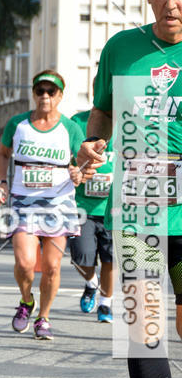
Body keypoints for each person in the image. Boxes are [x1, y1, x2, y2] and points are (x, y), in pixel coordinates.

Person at [78, 0, 182, 378]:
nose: (172, 2)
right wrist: (95, 143)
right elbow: (103, 108)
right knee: (141, 323)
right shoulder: (121, 49)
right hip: (140, 202)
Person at [0, 70, 84, 341]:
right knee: (25, 263)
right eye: (40, 91)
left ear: (60, 96)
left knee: (52, 267)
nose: (45, 96)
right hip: (23, 202)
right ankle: (26, 301)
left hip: (59, 204)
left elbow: (82, 163)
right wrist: (1, 181)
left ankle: (43, 318)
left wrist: (80, 173)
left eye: (51, 91)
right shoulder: (17, 124)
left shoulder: (70, 128)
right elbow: (3, 153)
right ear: (34, 94)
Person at [69, 98, 114, 322]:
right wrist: (73, 170)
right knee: (80, 257)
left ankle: (106, 305)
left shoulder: (131, 122)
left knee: (111, 259)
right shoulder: (78, 121)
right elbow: (67, 157)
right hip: (82, 206)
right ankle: (91, 283)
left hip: (114, 208)